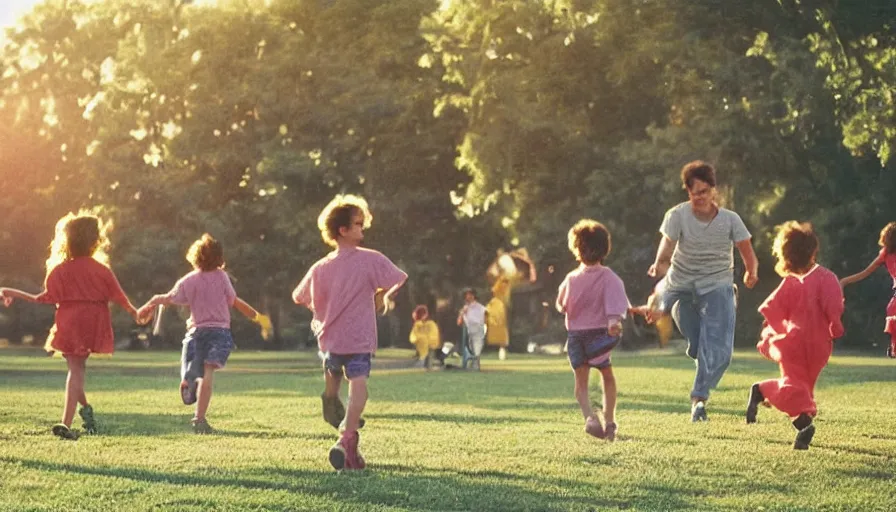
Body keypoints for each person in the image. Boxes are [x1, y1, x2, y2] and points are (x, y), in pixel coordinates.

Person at [0, 212, 145, 440]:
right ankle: (86, 413)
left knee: (75, 370)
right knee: (77, 371)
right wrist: (136, 313)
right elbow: (120, 297)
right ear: (95, 241)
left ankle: (66, 423)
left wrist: (13, 292)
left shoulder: (59, 271)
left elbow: (43, 298)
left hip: (69, 322)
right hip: (92, 321)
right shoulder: (101, 270)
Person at [293, 194, 407, 471]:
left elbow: (299, 296)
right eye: (358, 224)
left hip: (331, 341)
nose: (362, 229)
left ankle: (332, 402)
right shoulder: (370, 260)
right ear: (343, 230)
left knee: (334, 377)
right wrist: (380, 294)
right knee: (360, 390)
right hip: (359, 338)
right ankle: (346, 437)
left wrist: (322, 308)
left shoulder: (320, 267)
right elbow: (399, 277)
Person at [644, 161, 759, 422]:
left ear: (713, 191)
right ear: (688, 192)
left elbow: (747, 252)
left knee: (722, 354)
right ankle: (686, 338)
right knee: (694, 339)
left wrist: (751, 272)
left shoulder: (730, 220)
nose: (700, 197)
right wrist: (658, 265)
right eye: (695, 192)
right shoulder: (677, 215)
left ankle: (698, 400)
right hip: (681, 282)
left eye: (705, 191)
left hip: (717, 284)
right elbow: (665, 252)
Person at [137, 234, 266, 434]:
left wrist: (150, 303)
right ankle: (199, 418)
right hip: (219, 333)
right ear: (219, 258)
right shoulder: (222, 277)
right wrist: (256, 316)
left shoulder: (189, 280)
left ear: (195, 256)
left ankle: (188, 381)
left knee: (192, 368)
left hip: (196, 333)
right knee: (208, 374)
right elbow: (234, 300)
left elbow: (169, 298)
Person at [746, 222, 843, 450]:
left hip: (813, 346)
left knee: (803, 388)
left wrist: (780, 330)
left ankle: (761, 390)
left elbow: (772, 310)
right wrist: (783, 332)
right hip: (797, 347)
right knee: (795, 388)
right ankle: (803, 426)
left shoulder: (817, 279)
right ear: (813, 250)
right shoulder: (815, 279)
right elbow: (833, 307)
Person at [556, 219, 629, 442]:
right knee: (607, 375)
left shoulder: (570, 279)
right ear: (604, 248)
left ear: (576, 249)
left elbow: (561, 305)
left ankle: (589, 416)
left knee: (581, 383)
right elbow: (616, 305)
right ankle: (609, 420)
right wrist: (613, 322)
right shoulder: (609, 277)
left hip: (576, 337)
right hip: (598, 335)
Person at [839, 222, 896, 357]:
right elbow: (865, 272)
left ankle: (894, 348)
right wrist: (844, 281)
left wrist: (844, 282)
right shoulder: (885, 254)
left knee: (892, 310)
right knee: (892, 311)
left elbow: (865, 273)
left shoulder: (885, 254)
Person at [457, 288, 486, 370]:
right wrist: (462, 313)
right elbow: (459, 322)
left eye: (470, 294)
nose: (468, 296)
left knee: (477, 350)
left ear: (474, 296)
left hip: (478, 330)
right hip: (469, 332)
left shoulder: (479, 307)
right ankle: (473, 365)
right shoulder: (465, 308)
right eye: (467, 295)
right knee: (472, 349)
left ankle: (476, 366)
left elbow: (483, 319)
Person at [486, 277, 510, 360]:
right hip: (497, 309)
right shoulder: (495, 300)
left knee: (502, 335)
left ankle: (502, 351)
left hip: (500, 310)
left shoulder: (502, 297)